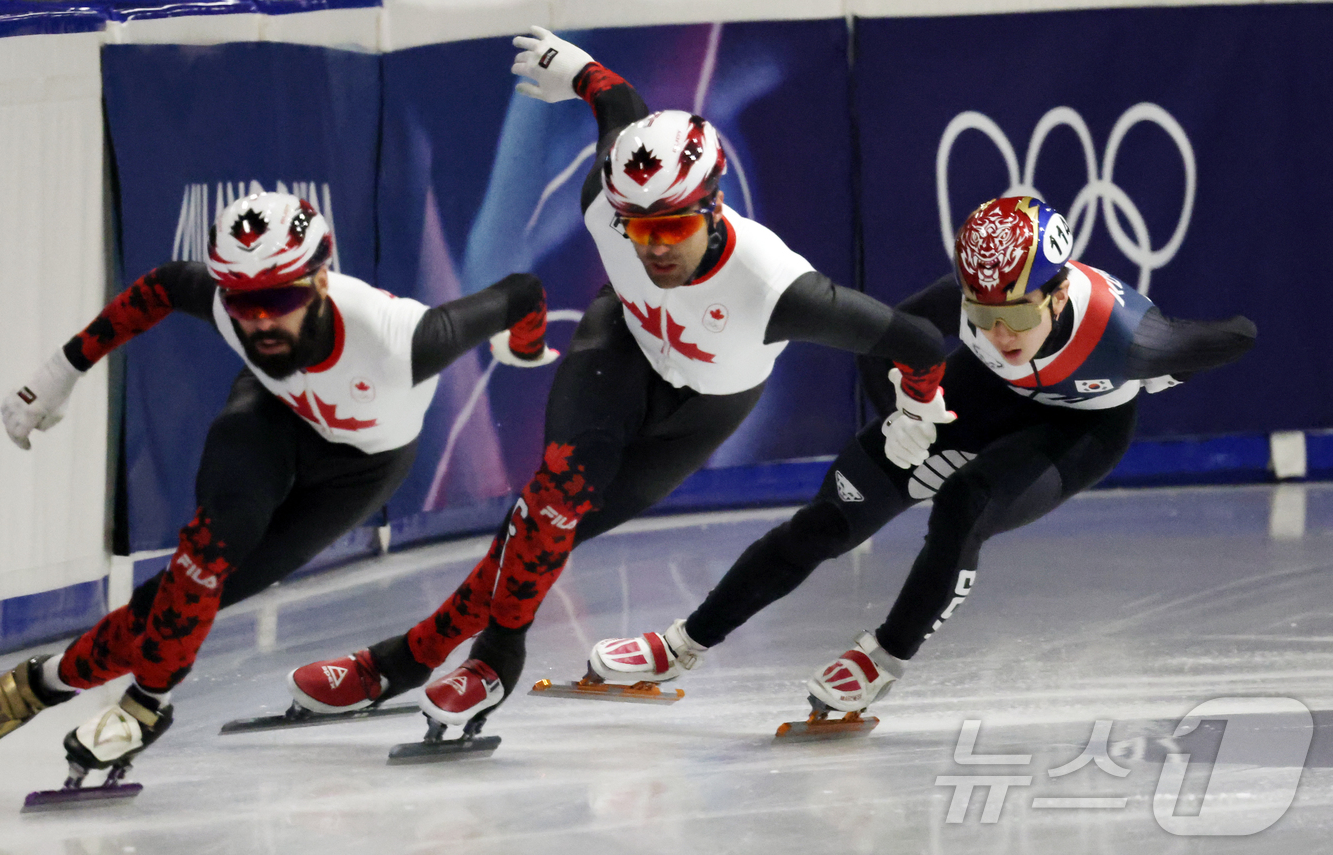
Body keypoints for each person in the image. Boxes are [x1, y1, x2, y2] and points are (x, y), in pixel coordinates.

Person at [288, 28, 953, 738]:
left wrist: (916, 405)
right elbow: (620, 111)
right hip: (623, 345)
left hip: (706, 407)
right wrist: (582, 71)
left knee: (545, 535)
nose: (656, 245)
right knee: (550, 503)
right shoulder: (607, 197)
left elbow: (914, 339)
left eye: (672, 225)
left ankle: (403, 659)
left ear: (713, 206)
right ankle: (489, 659)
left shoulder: (778, 289)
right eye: (638, 229)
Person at [0, 192, 555, 776]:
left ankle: (46, 684)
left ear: (317, 281)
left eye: (278, 300)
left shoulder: (405, 338)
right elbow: (158, 289)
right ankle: (147, 705)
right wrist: (58, 373)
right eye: (240, 301)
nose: (258, 321)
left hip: (361, 466)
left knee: (189, 596)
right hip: (273, 415)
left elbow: (523, 290)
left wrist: (523, 348)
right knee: (204, 556)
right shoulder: (224, 302)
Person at [587, 195, 1257, 720]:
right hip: (985, 393)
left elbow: (1237, 335)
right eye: (982, 313)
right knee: (825, 520)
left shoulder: (1129, 336)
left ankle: (885, 655)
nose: (999, 332)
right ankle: (682, 645)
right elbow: (885, 345)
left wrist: (1172, 364)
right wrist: (903, 415)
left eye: (1018, 318)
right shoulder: (974, 307)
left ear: (1058, 294)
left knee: (967, 501)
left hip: (1079, 427)